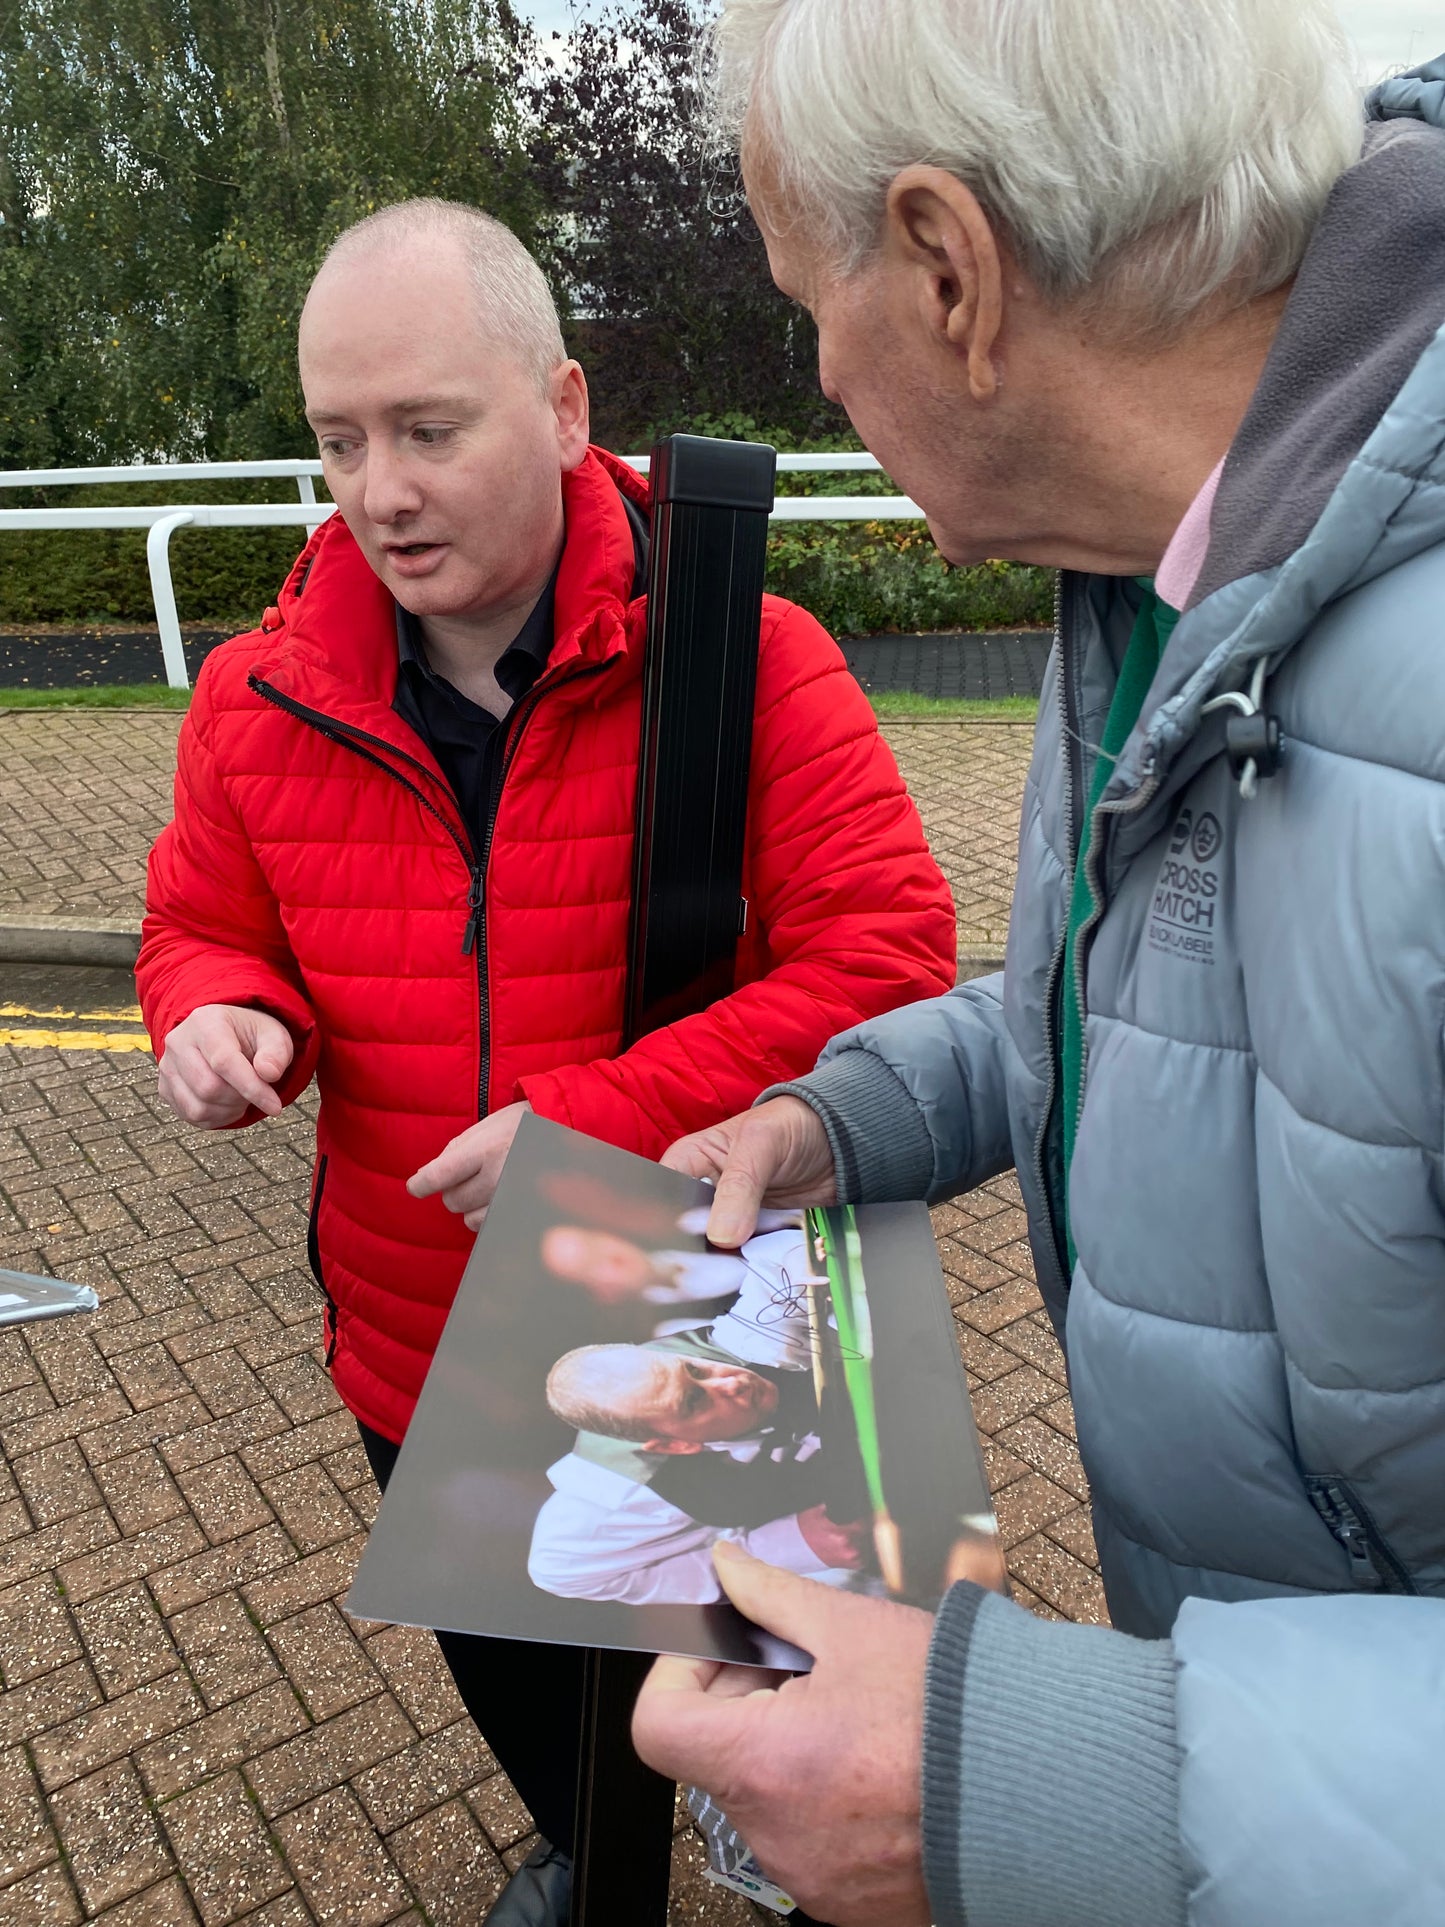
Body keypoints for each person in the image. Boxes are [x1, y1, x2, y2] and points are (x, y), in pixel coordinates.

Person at [632, 10, 1445, 1925]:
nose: (812, 371)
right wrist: (848, 1113)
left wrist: (1047, 1783)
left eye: (800, 296)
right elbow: (1167, 995)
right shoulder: (1165, 571)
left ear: (947, 269)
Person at [136, 198, 956, 1923]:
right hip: (422, 1339)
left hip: (712, 1332)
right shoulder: (255, 700)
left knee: (787, 1723)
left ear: (567, 409)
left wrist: (593, 1123)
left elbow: (887, 958)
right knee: (531, 1693)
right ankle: (587, 1848)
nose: (380, 489)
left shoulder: (747, 659)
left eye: (429, 429)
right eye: (339, 440)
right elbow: (204, 925)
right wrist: (218, 1015)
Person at [532, 1229, 865, 1604]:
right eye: (693, 1401)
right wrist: (789, 1546)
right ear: (673, 1444)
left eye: (696, 1370)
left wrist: (798, 1258)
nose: (731, 1383)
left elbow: (776, 1272)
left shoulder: (730, 1347)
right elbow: (557, 1573)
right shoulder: (624, 1495)